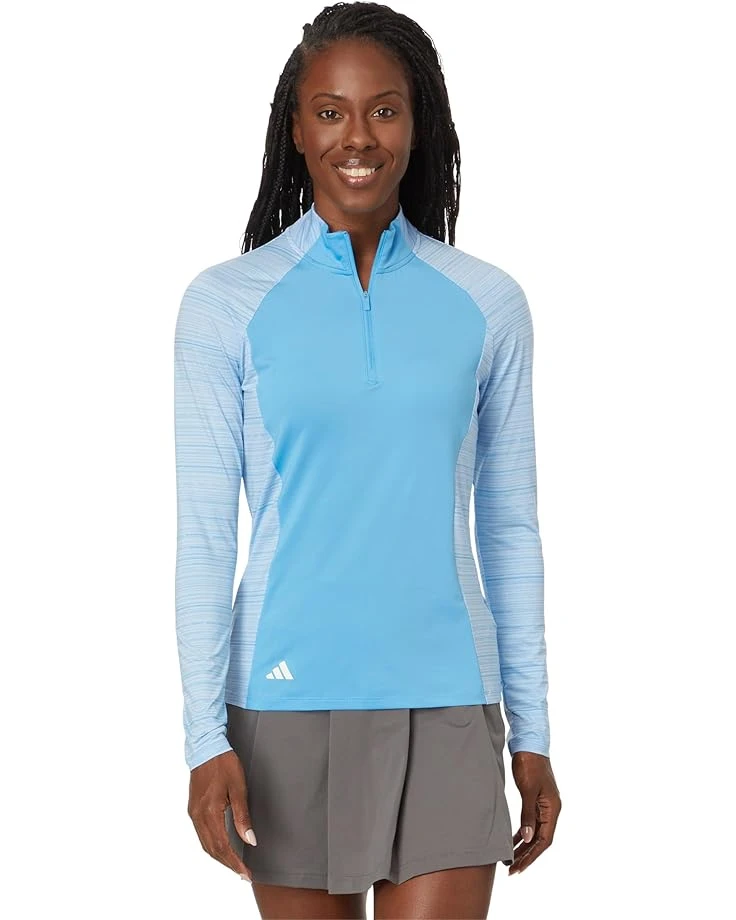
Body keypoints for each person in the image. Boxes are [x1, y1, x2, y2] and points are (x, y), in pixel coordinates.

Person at [173, 2, 561, 917]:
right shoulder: (226, 305)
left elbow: (510, 528)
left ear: (418, 126)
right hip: (284, 700)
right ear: (297, 129)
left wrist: (533, 730)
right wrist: (202, 739)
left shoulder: (487, 302)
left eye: (384, 110)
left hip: (450, 698)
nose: (358, 137)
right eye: (331, 112)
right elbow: (204, 539)